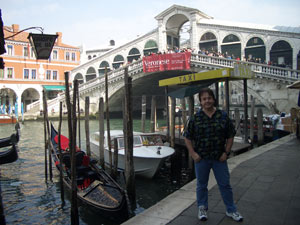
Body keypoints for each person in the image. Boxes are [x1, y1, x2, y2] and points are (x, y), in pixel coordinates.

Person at [183, 88, 243, 222]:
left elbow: (230, 136)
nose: (207, 101)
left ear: (213, 99)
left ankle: (231, 209)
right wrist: (193, 154)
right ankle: (202, 208)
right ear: (201, 101)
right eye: (204, 99)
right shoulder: (195, 118)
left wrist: (226, 153)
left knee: (225, 184)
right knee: (201, 185)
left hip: (219, 158)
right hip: (201, 158)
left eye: (209, 98)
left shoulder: (222, 116)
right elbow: (187, 137)